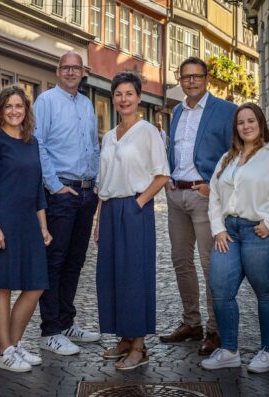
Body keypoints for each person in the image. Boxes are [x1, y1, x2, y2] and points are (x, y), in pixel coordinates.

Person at [160, 57, 237, 356]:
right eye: (186, 77)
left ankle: (215, 330)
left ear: (207, 79)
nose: (191, 81)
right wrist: (167, 175)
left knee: (210, 265)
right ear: (180, 80)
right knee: (180, 260)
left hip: (204, 195)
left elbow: (237, 150)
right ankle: (191, 323)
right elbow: (175, 149)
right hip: (176, 194)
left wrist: (214, 184)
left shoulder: (225, 111)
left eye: (196, 76)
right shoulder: (177, 110)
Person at [95, 72, 170, 370]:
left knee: (135, 276)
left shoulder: (148, 131)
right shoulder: (109, 136)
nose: (123, 99)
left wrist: (139, 202)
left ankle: (139, 346)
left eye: (129, 93)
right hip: (110, 209)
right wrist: (99, 220)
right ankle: (124, 338)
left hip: (135, 208)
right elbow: (104, 183)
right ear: (113, 98)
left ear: (139, 97)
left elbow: (162, 174)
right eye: (118, 94)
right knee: (112, 276)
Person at [0, 85, 53, 373]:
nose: (14, 111)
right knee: (3, 286)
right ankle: (5, 350)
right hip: (3, 223)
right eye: (8, 106)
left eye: (19, 106)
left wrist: (44, 228)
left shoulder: (31, 142)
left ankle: (15, 344)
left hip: (29, 224)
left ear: (26, 111)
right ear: (0, 110)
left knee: (35, 286)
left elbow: (38, 190)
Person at [33, 51, 101, 356]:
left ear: (83, 72)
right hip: (61, 193)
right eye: (66, 68)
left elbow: (94, 146)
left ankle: (67, 321)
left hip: (87, 194)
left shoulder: (86, 104)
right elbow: (38, 144)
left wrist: (97, 183)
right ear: (58, 70)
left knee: (75, 261)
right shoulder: (46, 101)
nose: (71, 72)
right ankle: (50, 330)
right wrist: (55, 187)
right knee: (55, 261)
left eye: (77, 68)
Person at [201, 103, 269, 373]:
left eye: (251, 121)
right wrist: (218, 228)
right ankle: (229, 350)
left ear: (260, 123)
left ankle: (267, 350)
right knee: (220, 288)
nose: (246, 126)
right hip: (228, 233)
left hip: (257, 233)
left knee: (264, 293)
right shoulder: (227, 157)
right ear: (236, 128)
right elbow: (215, 195)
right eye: (241, 123)